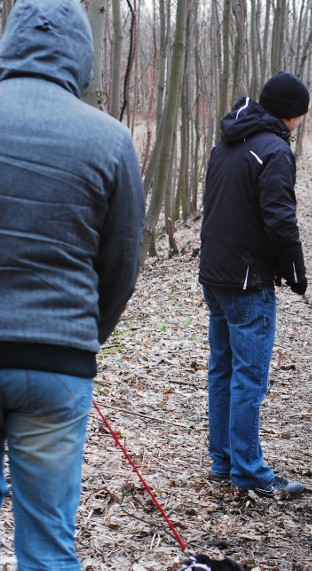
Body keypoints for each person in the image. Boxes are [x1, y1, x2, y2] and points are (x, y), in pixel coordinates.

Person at [0, 0, 145, 568]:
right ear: (83, 57)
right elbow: (122, 263)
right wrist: (84, 335)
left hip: (58, 354)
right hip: (57, 364)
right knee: (47, 542)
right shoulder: (109, 139)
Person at [199, 71, 310, 498]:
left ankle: (223, 460)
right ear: (294, 114)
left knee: (223, 372)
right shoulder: (274, 151)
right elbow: (280, 220)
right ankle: (247, 469)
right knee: (248, 379)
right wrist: (295, 271)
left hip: (216, 276)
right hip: (246, 284)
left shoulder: (225, 143)